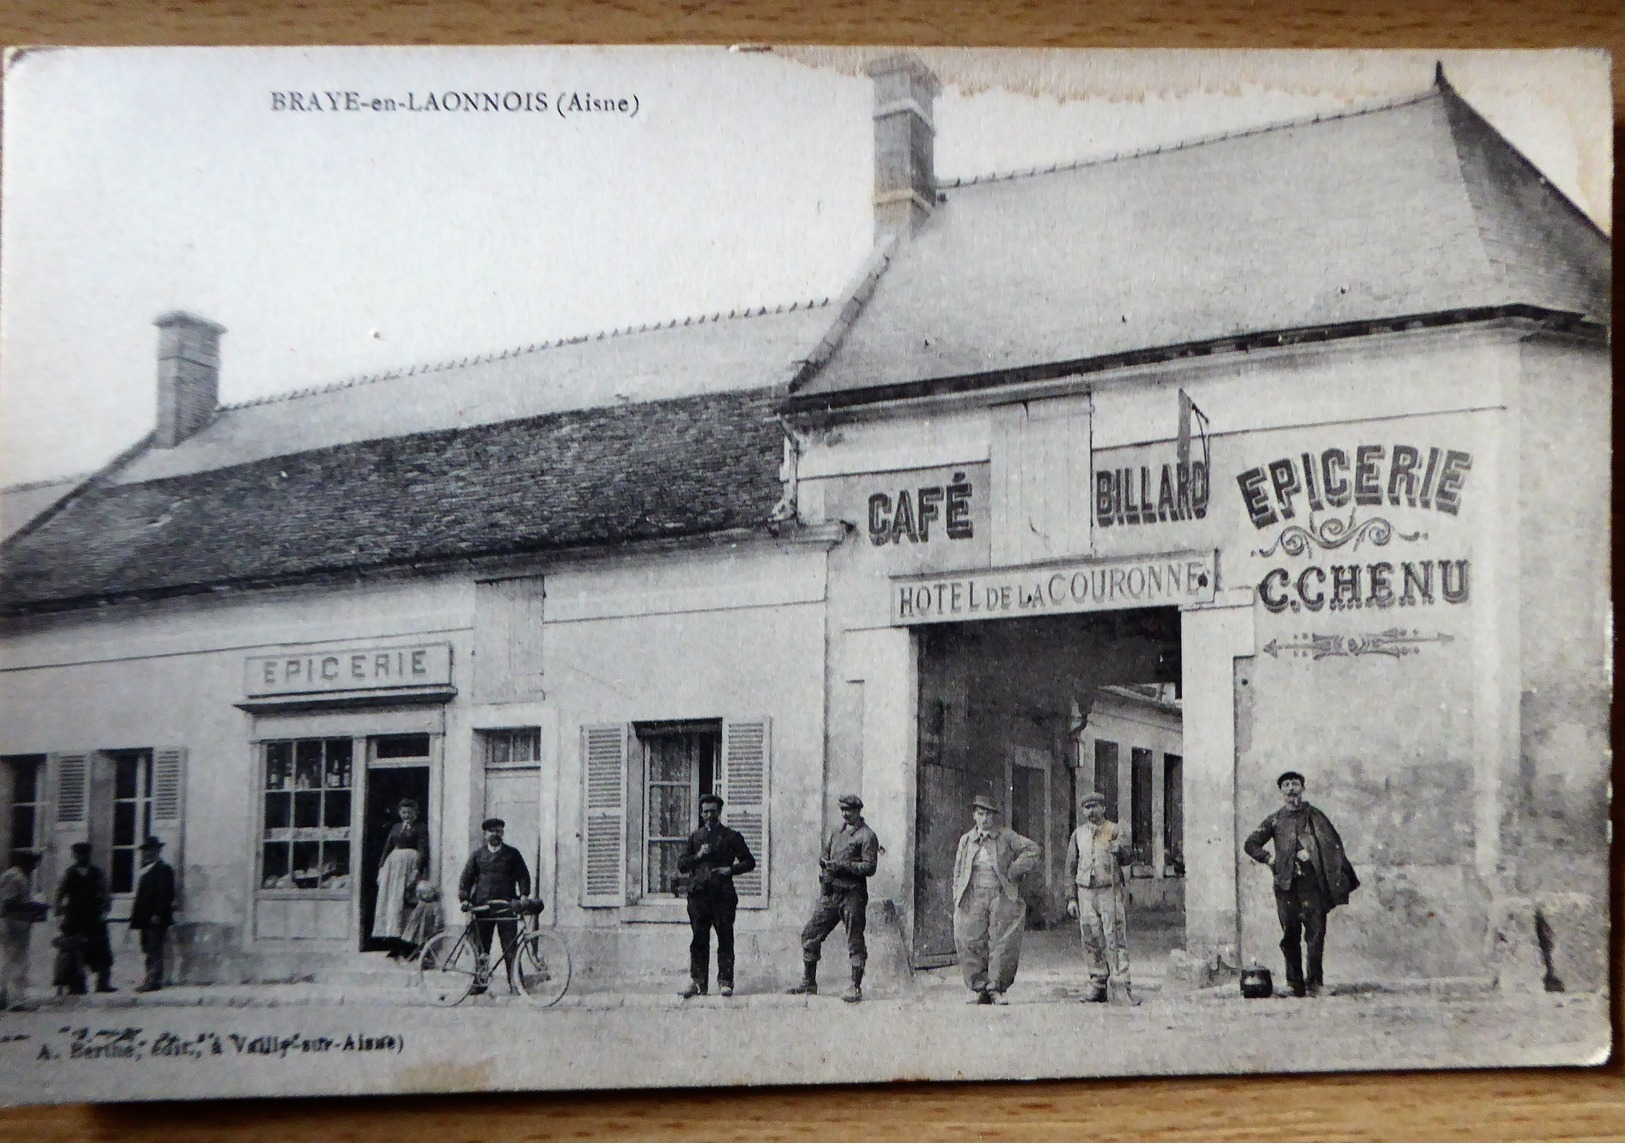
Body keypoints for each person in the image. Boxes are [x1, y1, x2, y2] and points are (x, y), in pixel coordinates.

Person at [1244, 771, 1359, 998]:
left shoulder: (1315, 815)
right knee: (1290, 934)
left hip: (1312, 884)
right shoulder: (1275, 819)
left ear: (1303, 788)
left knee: (1316, 933)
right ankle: (1294, 983)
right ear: (1281, 791)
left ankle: (1315, 983)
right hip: (1285, 885)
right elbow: (1251, 844)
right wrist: (1270, 859)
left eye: (1295, 784)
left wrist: (1313, 851)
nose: (1290, 789)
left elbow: (1332, 844)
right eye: (1285, 785)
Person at [786, 793, 879, 1003]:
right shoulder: (836, 832)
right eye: (843, 810)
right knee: (810, 933)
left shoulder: (867, 836)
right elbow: (825, 854)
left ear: (858, 811)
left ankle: (855, 987)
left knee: (854, 939)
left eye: (849, 810)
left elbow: (870, 867)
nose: (845, 814)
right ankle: (809, 981)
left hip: (852, 894)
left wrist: (843, 866)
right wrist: (825, 862)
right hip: (831, 892)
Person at [951, 795, 1040, 1005]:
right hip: (973, 893)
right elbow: (958, 868)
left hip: (1000, 892)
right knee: (969, 939)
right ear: (974, 815)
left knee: (1003, 940)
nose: (984, 819)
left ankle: (996, 988)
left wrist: (1013, 871)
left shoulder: (1007, 836)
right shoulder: (966, 840)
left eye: (989, 814)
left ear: (995, 817)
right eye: (980, 814)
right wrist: (957, 893)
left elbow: (1033, 850)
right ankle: (980, 988)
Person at [676, 793, 756, 999]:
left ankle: (725, 981)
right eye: (705, 812)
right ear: (701, 814)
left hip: (723, 896)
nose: (709, 815)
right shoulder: (695, 837)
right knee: (698, 940)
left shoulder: (731, 836)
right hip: (698, 896)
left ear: (719, 812)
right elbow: (682, 865)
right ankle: (698, 982)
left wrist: (729, 870)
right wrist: (698, 856)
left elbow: (749, 862)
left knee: (725, 939)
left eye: (712, 811)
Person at [1064, 792, 1136, 1004]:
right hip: (1085, 891)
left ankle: (1121, 983)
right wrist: (1071, 898)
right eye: (1087, 807)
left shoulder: (1114, 830)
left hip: (1108, 891)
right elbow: (1070, 867)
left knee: (1114, 936)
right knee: (1090, 938)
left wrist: (1119, 850)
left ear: (1103, 808)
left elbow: (1128, 857)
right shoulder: (1079, 834)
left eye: (1095, 806)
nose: (1091, 811)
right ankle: (1098, 983)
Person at [457, 818, 533, 995]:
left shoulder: (512, 854)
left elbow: (523, 875)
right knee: (481, 947)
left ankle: (515, 983)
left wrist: (523, 894)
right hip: (483, 906)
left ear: (502, 834)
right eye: (491, 831)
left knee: (510, 945)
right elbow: (466, 878)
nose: (495, 834)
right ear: (485, 834)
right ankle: (479, 983)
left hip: (506, 904)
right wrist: (464, 898)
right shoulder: (477, 855)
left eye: (498, 831)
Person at [373, 798, 430, 959]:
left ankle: (409, 946)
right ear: (400, 813)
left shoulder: (421, 828)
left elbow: (423, 850)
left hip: (410, 867)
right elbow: (387, 848)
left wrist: (417, 871)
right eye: (403, 812)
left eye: (409, 812)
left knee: (407, 905)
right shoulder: (395, 828)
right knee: (392, 904)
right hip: (393, 869)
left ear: (415, 813)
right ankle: (394, 945)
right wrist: (381, 868)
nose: (406, 815)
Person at [55, 842, 113, 993]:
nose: (81, 857)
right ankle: (76, 985)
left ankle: (103, 984)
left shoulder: (97, 873)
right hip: (74, 919)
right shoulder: (70, 873)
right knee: (74, 953)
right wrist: (58, 912)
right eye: (78, 854)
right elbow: (59, 894)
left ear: (89, 855)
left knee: (102, 952)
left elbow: (106, 892)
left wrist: (105, 910)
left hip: (94, 918)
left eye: (84, 854)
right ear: (74, 856)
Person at [128, 835, 177, 992]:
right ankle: (150, 977)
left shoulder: (164, 870)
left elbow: (166, 895)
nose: (147, 854)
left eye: (150, 851)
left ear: (157, 852)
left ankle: (153, 979)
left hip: (155, 919)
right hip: (144, 919)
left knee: (154, 949)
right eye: (145, 851)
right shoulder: (146, 871)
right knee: (148, 948)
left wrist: (157, 914)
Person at [1, 850, 44, 1011]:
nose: (33, 867)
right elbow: (9, 903)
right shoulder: (13, 877)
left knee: (10, 963)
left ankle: (4, 998)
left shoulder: (19, 877)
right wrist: (33, 906)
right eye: (32, 863)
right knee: (15, 963)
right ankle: (15, 1001)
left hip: (18, 925)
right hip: (11, 925)